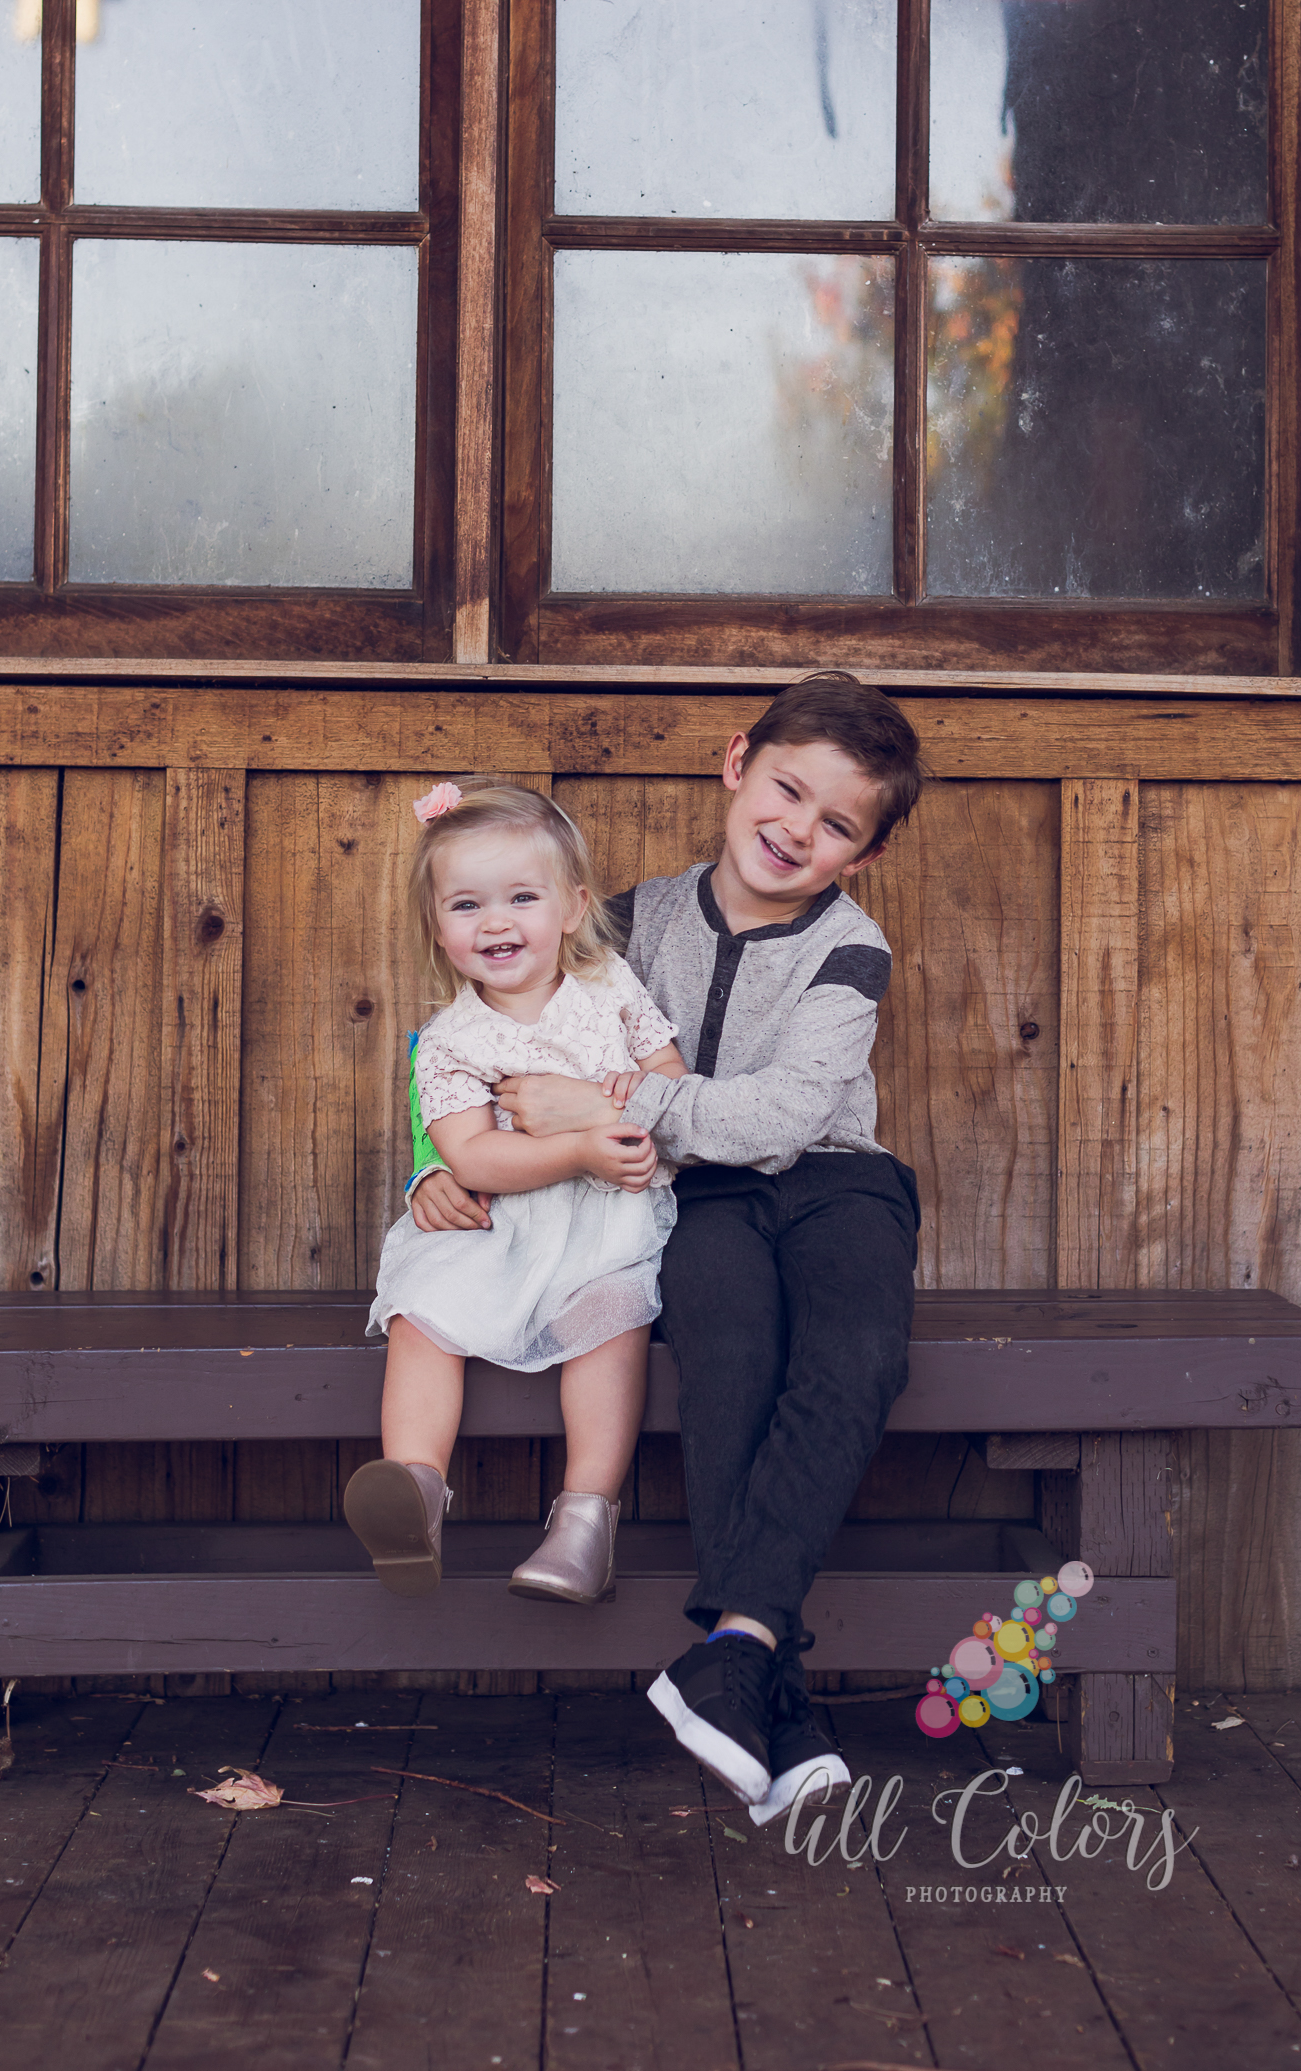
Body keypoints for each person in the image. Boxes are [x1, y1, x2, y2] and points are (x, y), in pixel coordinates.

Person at [419, 672, 925, 1826]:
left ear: (864, 855)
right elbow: (494, 1042)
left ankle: (735, 1647)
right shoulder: (630, 921)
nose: (797, 828)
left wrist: (620, 1106)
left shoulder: (851, 951)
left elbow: (788, 1115)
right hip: (694, 1199)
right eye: (788, 789)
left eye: (837, 823)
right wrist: (441, 1160)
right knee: (726, 1345)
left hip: (841, 1185)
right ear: (737, 760)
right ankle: (765, 1692)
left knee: (856, 1354)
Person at [346, 780, 686, 1606]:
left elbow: (672, 1082)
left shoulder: (610, 986)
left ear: (571, 907)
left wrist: (633, 1095)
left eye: (521, 898)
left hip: (604, 1220)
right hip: (495, 1222)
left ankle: (583, 1521)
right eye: (466, 904)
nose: (495, 922)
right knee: (421, 1314)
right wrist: (578, 1144)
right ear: (437, 924)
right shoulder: (451, 1040)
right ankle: (415, 1489)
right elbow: (474, 1157)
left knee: (610, 1321)